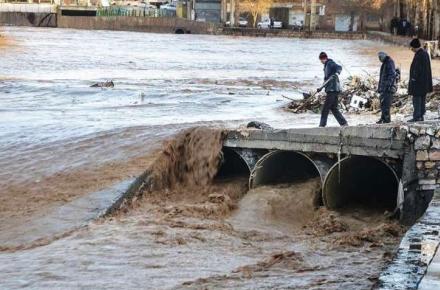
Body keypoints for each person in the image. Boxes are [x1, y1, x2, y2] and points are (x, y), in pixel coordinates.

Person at [317, 52, 348, 127]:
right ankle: (343, 123)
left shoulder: (330, 63)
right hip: (333, 89)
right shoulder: (326, 65)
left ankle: (322, 125)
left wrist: (337, 73)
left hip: (332, 89)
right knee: (333, 108)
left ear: (323, 59)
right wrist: (321, 88)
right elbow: (326, 79)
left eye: (321, 60)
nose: (321, 62)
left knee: (325, 108)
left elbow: (339, 67)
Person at [408, 38, 433, 122]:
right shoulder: (425, 54)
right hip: (424, 82)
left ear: (414, 47)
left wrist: (413, 78)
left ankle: (417, 117)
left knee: (417, 100)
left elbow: (417, 69)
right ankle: (421, 116)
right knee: (422, 99)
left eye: (411, 48)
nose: (411, 49)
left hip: (418, 83)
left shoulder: (419, 55)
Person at [377, 52, 397, 124]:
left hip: (388, 88)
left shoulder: (389, 63)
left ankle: (386, 120)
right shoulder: (385, 63)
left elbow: (392, 75)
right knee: (383, 104)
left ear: (383, 57)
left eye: (380, 58)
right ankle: (382, 118)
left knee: (386, 105)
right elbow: (382, 77)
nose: (379, 59)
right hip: (384, 88)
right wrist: (380, 88)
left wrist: (388, 86)